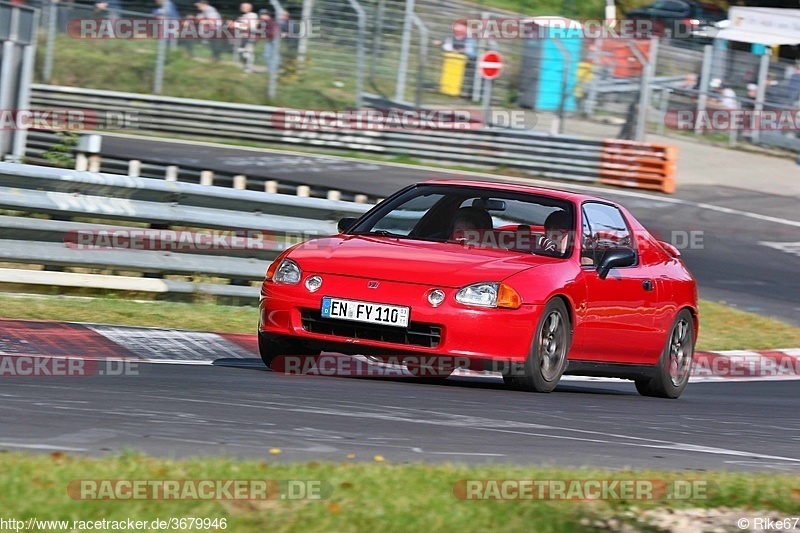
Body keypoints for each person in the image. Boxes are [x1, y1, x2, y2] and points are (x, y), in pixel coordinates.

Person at [234, 2, 259, 73]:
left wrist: (236, 25)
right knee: (240, 52)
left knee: (247, 53)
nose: (241, 8)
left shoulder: (252, 15)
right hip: (242, 37)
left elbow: (250, 27)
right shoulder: (242, 16)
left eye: (243, 7)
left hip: (249, 37)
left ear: (249, 8)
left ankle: (248, 69)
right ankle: (245, 67)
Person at [259, 9, 280, 73]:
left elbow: (275, 31)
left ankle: (273, 70)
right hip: (270, 40)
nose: (260, 16)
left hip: (274, 40)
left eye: (261, 15)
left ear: (266, 15)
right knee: (268, 54)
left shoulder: (271, 22)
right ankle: (270, 69)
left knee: (273, 54)